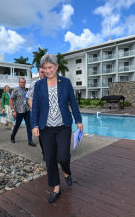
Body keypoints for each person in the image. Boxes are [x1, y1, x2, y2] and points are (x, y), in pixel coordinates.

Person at [31, 54, 83, 203]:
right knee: (50, 159)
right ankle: (55, 186)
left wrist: (78, 120)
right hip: (46, 128)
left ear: (56, 67)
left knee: (64, 157)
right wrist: (34, 125)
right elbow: (35, 107)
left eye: (50, 68)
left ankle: (66, 171)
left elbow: (73, 103)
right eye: (45, 68)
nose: (48, 71)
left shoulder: (65, 82)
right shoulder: (38, 85)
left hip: (63, 126)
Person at [10, 78, 36, 146]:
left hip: (27, 110)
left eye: (24, 82)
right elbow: (11, 100)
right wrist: (13, 111)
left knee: (29, 126)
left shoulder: (27, 90)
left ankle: (30, 141)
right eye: (21, 82)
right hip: (19, 111)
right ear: (19, 83)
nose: (23, 83)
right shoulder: (15, 90)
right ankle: (12, 136)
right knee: (17, 126)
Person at [27, 66, 46, 159]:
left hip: (51, 114)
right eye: (41, 72)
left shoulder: (51, 82)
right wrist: (35, 110)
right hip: (39, 114)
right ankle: (44, 153)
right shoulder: (35, 83)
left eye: (44, 72)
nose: (43, 74)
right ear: (38, 73)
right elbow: (29, 98)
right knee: (42, 134)